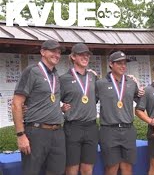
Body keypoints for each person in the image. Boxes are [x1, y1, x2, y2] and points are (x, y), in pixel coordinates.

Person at [11, 40, 66, 175]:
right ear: (42, 52)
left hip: (57, 132)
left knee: (57, 171)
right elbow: (16, 103)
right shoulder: (32, 71)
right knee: (32, 172)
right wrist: (20, 135)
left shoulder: (55, 75)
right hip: (36, 132)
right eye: (53, 51)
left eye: (59, 52)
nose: (57, 54)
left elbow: (47, 101)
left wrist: (60, 109)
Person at [96, 51, 141, 175]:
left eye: (124, 63)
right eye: (119, 63)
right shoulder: (100, 84)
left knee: (127, 167)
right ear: (111, 64)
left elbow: (141, 101)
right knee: (112, 167)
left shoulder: (131, 83)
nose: (123, 66)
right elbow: (88, 102)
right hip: (109, 130)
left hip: (128, 129)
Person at [59, 43, 99, 175]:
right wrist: (61, 107)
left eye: (87, 55)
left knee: (87, 169)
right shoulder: (63, 79)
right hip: (73, 127)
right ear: (73, 57)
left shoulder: (93, 77)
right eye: (82, 54)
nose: (85, 57)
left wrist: (131, 79)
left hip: (91, 127)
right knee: (72, 168)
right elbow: (51, 99)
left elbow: (109, 87)